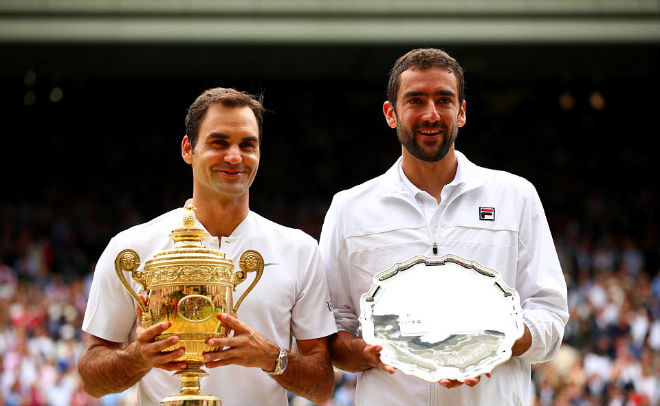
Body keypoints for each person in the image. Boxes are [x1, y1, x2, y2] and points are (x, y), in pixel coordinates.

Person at [319, 48, 569, 405]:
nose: (431, 114)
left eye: (444, 100)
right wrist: (376, 351)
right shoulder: (349, 209)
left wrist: (490, 343)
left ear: (462, 112)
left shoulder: (516, 197)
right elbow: (330, 333)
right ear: (391, 113)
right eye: (415, 100)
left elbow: (551, 317)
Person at [78, 87, 336, 405]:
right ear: (188, 149)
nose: (234, 156)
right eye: (219, 142)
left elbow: (323, 384)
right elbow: (91, 378)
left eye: (247, 145)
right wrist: (138, 356)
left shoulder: (299, 250)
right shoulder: (131, 248)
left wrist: (272, 357)